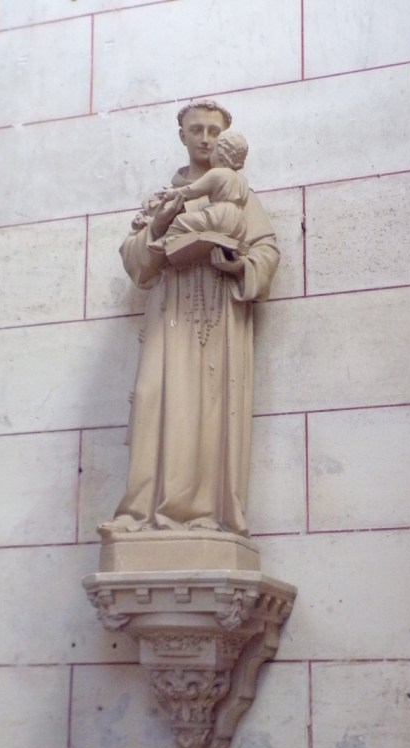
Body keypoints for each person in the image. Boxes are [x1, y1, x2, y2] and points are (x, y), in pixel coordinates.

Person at [111, 99, 279, 537]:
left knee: (210, 408)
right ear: (182, 135)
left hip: (219, 315)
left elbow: (266, 250)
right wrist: (158, 227)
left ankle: (206, 514)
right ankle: (140, 512)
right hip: (169, 312)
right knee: (152, 399)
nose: (205, 138)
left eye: (214, 131)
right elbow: (136, 262)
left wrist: (239, 265)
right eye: (197, 130)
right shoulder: (163, 198)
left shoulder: (238, 193)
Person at [149, 130, 250, 254]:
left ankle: (165, 242)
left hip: (218, 217)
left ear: (221, 153)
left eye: (213, 150)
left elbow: (192, 190)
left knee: (181, 220)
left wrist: (172, 194)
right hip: (239, 225)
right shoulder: (243, 180)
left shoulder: (217, 174)